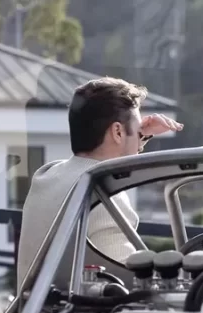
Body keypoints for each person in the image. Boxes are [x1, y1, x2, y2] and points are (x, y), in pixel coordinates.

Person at [16, 77, 183, 288]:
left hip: (34, 307)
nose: (139, 144)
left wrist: (138, 134)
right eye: (136, 130)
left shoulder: (48, 175)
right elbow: (131, 281)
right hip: (81, 309)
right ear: (118, 132)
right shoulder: (105, 194)